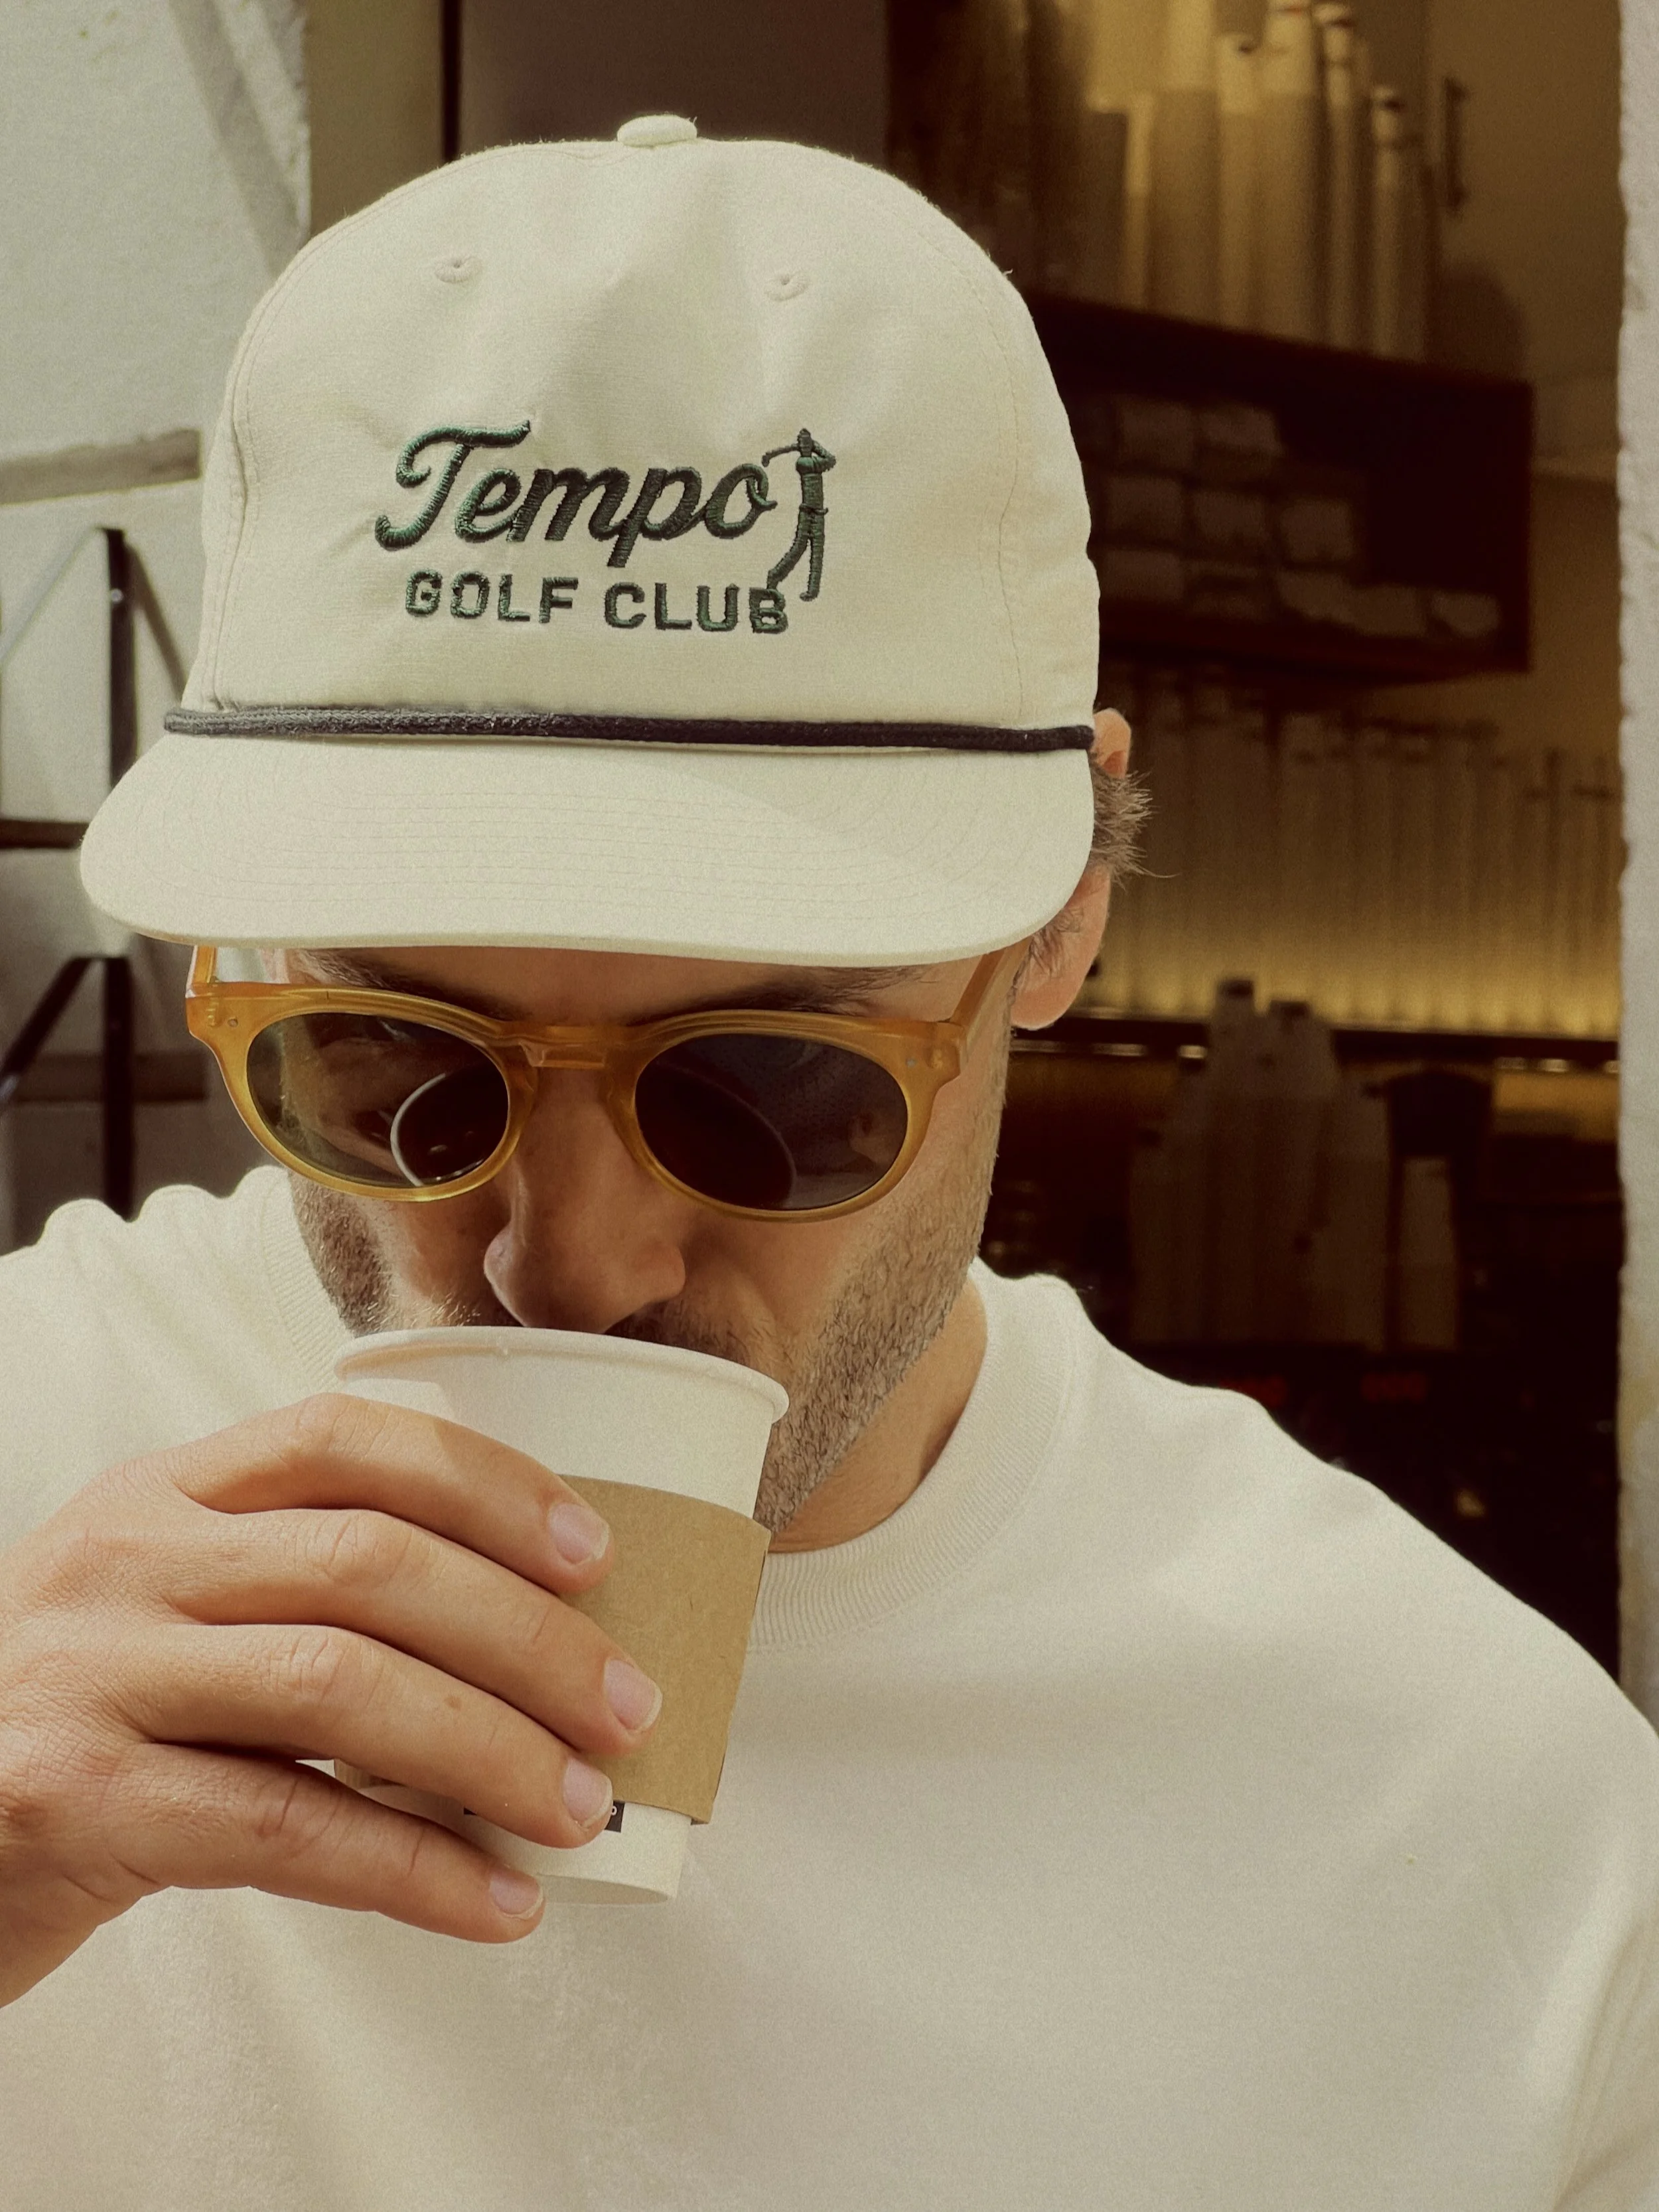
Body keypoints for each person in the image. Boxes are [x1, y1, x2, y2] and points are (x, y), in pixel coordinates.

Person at [1, 118, 1658, 2212]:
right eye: (398, 1062)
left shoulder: (1464, 1822)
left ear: (1061, 908)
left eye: (768, 1086)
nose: (568, 1258)